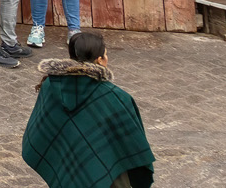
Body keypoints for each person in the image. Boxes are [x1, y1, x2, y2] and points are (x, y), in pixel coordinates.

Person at [19, 30, 155, 188]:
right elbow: (133, 144)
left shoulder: (51, 84)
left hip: (66, 168)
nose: (107, 58)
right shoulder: (115, 97)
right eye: (105, 55)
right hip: (106, 172)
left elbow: (42, 130)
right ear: (99, 60)